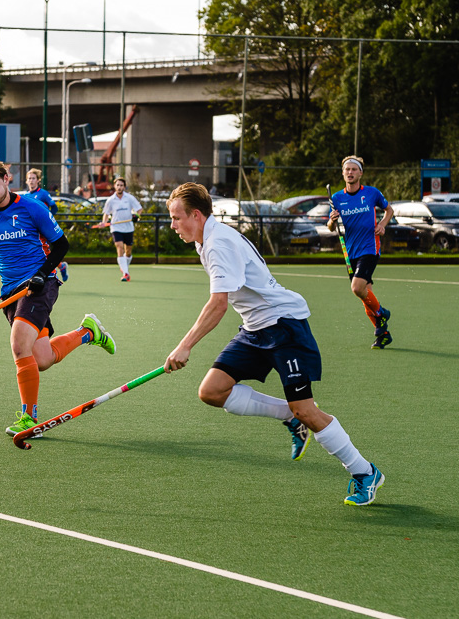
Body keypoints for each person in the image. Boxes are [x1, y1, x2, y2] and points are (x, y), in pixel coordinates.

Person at [164, 182, 384, 506]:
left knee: (308, 410)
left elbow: (219, 304)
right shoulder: (206, 239)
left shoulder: (217, 243)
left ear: (196, 215)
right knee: (212, 391)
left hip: (284, 326)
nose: (172, 225)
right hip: (256, 329)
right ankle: (289, 416)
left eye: (176, 218)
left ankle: (365, 472)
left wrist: (185, 346)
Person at [0, 156, 116, 436]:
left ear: (6, 180)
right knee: (42, 359)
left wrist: (42, 273)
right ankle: (88, 332)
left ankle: (29, 419)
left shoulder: (31, 207)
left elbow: (62, 244)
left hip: (41, 283)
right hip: (10, 292)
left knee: (18, 345)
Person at [327, 155, 394, 349]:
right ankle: (384, 334)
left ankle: (381, 314)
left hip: (370, 247)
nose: (350, 172)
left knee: (357, 288)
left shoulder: (372, 193)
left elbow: (389, 210)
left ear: (360, 173)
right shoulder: (337, 198)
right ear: (343, 173)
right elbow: (331, 227)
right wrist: (332, 220)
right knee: (365, 297)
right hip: (351, 252)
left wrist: (382, 224)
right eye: (347, 170)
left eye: (353, 169)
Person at [21, 167, 69, 282]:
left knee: (45, 251)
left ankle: (50, 274)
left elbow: (55, 207)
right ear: (26, 181)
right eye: (29, 178)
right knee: (38, 250)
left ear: (38, 180)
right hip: (32, 229)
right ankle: (60, 266)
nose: (31, 180)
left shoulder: (43, 194)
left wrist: (47, 220)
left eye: (33, 178)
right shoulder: (25, 196)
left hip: (43, 228)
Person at [101, 177, 143, 282]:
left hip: (128, 227)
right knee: (119, 247)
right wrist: (103, 222)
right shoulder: (110, 200)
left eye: (121, 185)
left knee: (128, 252)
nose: (119, 187)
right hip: (116, 227)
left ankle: (124, 267)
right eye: (117, 185)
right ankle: (126, 273)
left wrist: (136, 215)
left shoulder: (129, 198)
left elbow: (139, 209)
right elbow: (106, 213)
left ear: (124, 187)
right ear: (115, 186)